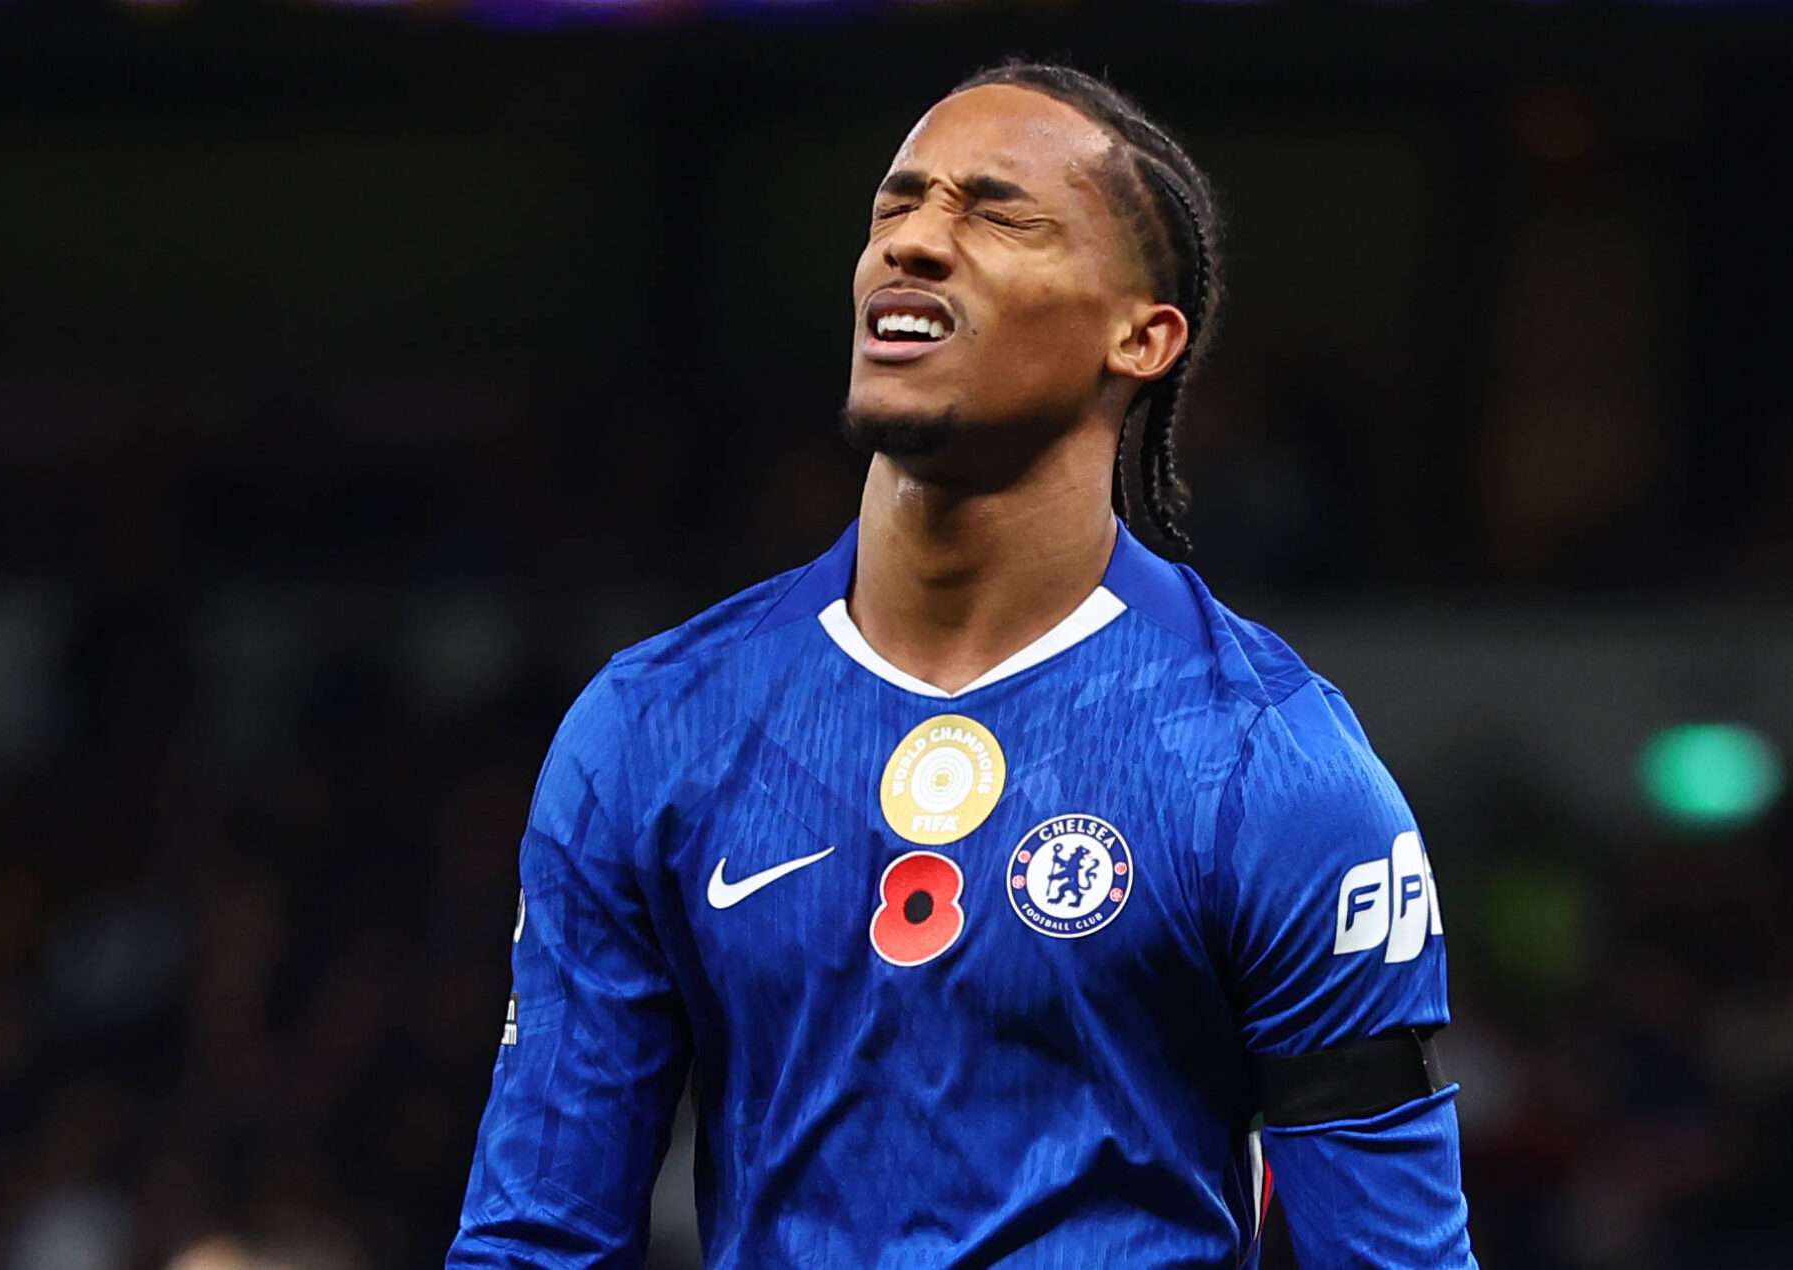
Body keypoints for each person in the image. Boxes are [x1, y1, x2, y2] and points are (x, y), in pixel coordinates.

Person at [448, 61, 1475, 1270]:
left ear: (1141, 336)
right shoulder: (652, 724)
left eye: (997, 215)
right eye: (896, 205)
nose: (916, 242)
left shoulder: (1272, 765)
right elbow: (534, 1239)